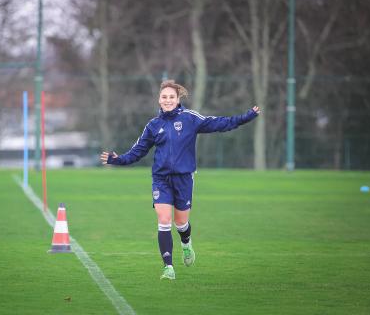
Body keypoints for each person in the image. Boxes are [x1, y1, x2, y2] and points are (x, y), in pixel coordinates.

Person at [100, 80, 260, 280]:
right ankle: (168, 267)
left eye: (171, 97)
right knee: (164, 220)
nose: (167, 100)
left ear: (178, 100)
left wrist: (246, 117)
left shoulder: (190, 118)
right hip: (161, 179)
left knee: (181, 223)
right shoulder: (153, 126)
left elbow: (220, 123)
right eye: (164, 97)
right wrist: (118, 160)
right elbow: (137, 152)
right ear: (159, 100)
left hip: (184, 178)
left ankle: (186, 243)